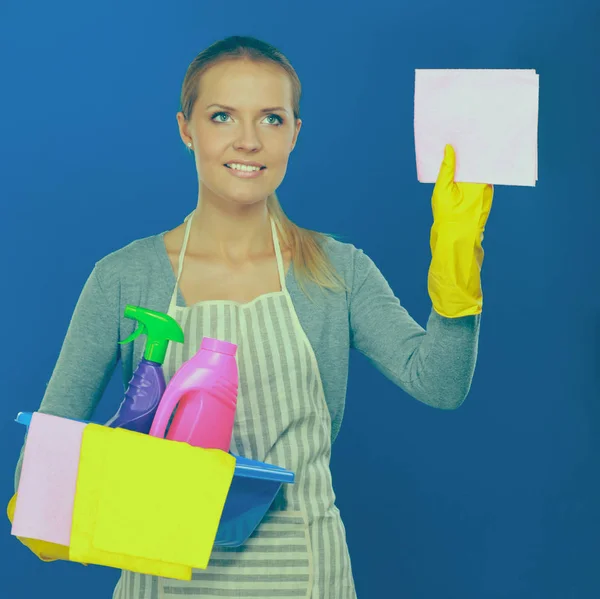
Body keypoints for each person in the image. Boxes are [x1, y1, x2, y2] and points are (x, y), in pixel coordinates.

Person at [12, 35, 493, 599]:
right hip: (162, 578)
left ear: (294, 133)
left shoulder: (338, 270)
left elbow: (438, 384)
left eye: (270, 118)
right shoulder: (122, 277)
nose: (247, 141)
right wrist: (57, 493)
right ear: (186, 128)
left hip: (307, 577)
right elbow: (46, 455)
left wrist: (457, 271)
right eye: (222, 116)